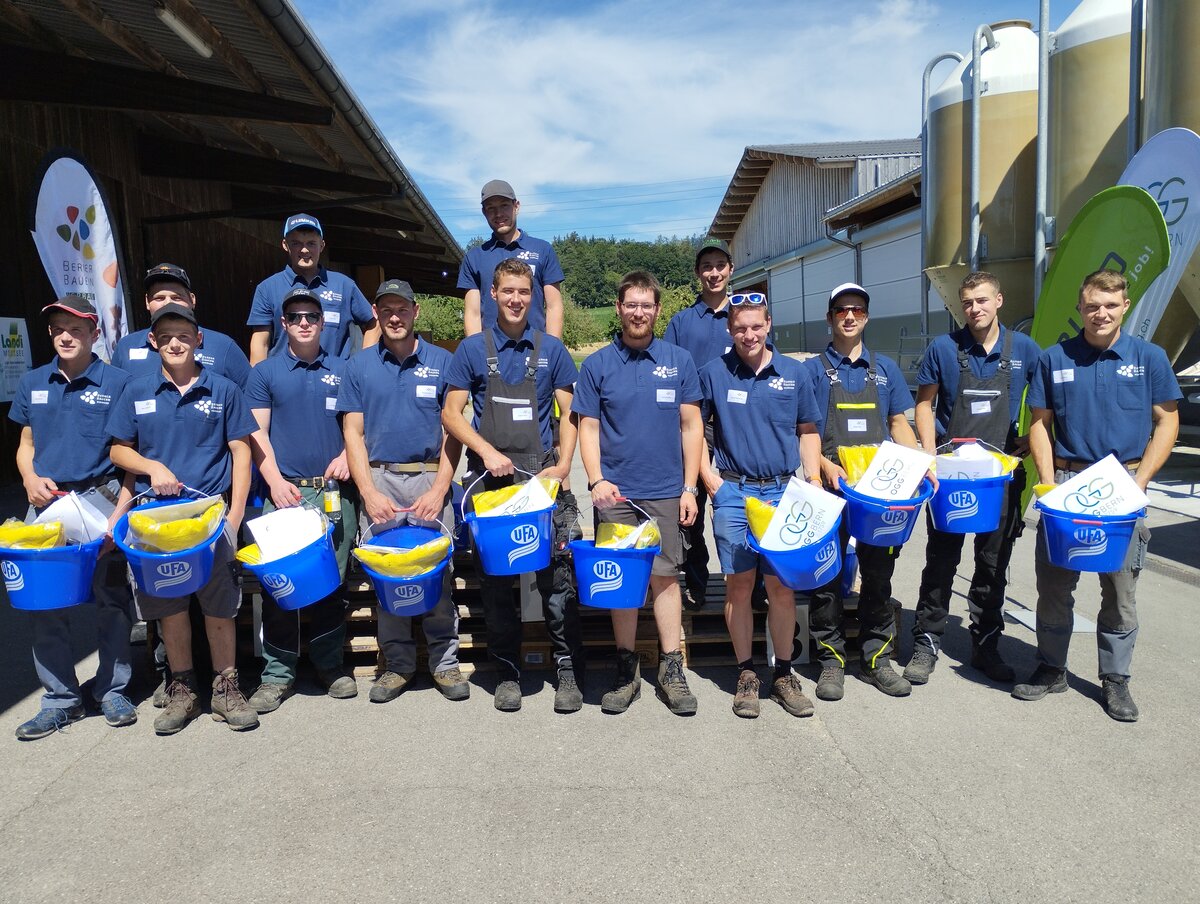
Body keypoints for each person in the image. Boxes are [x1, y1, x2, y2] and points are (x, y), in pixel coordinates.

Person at [1015, 268, 1180, 722]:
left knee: (1120, 590)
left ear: (1125, 306)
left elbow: (1168, 422)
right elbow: (1039, 424)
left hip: (1122, 486)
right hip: (1068, 484)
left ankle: (1115, 680)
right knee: (1053, 588)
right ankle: (1051, 668)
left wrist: (1140, 481)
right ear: (1080, 308)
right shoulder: (1054, 359)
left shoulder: (1149, 358)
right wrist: (1047, 484)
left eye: (1110, 305)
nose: (1100, 313)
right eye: (1092, 306)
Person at [107, 302, 259, 734]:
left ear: (198, 341)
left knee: (219, 607)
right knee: (170, 606)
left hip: (210, 515)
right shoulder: (136, 390)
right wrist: (152, 468)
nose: (175, 342)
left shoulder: (225, 389)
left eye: (184, 335)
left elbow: (241, 453)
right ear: (153, 342)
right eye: (166, 336)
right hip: (154, 521)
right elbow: (118, 450)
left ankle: (227, 689)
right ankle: (183, 689)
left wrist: (235, 514)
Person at [442, 258, 581, 713]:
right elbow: (450, 413)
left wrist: (561, 469)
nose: (517, 299)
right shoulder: (471, 350)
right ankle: (506, 671)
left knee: (556, 581)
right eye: (508, 292)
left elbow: (570, 417)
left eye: (525, 291)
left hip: (540, 480)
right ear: (493, 296)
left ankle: (567, 671)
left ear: (534, 296)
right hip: (492, 483)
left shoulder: (553, 350)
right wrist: (485, 451)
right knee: (497, 585)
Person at [575, 270, 703, 715]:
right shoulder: (596, 366)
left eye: (646, 305)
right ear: (618, 307)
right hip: (617, 496)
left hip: (667, 491)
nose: (638, 312)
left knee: (666, 579)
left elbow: (691, 427)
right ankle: (626, 669)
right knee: (622, 582)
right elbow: (587, 428)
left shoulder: (679, 361)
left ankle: (671, 668)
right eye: (631, 304)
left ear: (657, 310)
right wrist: (595, 480)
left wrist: (689, 487)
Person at [8, 296, 136, 740]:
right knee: (46, 606)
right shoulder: (32, 383)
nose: (66, 335)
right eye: (59, 328)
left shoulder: (119, 382)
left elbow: (129, 457)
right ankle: (61, 700)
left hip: (102, 502)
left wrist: (121, 516)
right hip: (46, 508)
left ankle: (113, 690)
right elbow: (25, 442)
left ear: (95, 334)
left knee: (114, 602)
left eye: (76, 328)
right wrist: (28, 476)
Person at [904, 272, 1041, 685]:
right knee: (941, 561)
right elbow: (924, 405)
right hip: (952, 478)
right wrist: (929, 456)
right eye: (967, 303)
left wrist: (1032, 444)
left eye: (982, 300)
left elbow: (1044, 408)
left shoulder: (1026, 350)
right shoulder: (944, 349)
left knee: (993, 565)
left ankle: (985, 646)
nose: (974, 309)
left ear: (999, 300)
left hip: (998, 480)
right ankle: (926, 641)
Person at [340, 279, 469, 704]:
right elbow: (353, 435)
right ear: (375, 314)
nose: (394, 317)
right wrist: (368, 493)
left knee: (437, 573)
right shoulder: (357, 367)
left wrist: (440, 488)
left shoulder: (443, 361)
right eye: (386, 310)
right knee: (388, 575)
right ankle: (396, 665)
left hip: (430, 477)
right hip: (380, 480)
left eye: (402, 309)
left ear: (416, 311)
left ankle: (444, 663)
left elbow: (454, 432)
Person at [698, 293, 824, 718]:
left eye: (755, 326)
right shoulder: (714, 373)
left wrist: (813, 481)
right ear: (729, 330)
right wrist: (708, 478)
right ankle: (746, 674)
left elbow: (808, 430)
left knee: (781, 588)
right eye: (739, 328)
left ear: (769, 324)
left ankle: (784, 674)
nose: (748, 335)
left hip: (783, 493)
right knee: (738, 586)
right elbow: (695, 429)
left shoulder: (794, 373)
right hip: (734, 492)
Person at [242, 287, 359, 713]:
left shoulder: (346, 370)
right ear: (284, 324)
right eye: (294, 317)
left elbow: (358, 426)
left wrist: (348, 456)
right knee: (281, 587)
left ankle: (331, 666)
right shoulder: (265, 373)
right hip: (286, 493)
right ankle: (277, 675)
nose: (304, 322)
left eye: (312, 315)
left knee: (331, 583)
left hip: (334, 493)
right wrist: (272, 481)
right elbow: (256, 433)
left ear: (324, 321)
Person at [803, 282, 922, 700]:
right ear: (830, 316)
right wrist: (824, 467)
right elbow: (805, 432)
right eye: (841, 310)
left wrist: (923, 464)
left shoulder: (885, 370)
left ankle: (877, 659)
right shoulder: (812, 371)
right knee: (827, 578)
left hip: (879, 495)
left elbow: (898, 424)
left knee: (878, 576)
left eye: (856, 309)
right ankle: (830, 662)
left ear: (866, 316)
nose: (849, 316)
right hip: (832, 487)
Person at [663, 237, 734, 611]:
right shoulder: (681, 322)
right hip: (694, 426)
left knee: (745, 505)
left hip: (738, 424)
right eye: (706, 266)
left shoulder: (743, 316)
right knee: (690, 507)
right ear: (697, 274)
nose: (713, 272)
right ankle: (697, 580)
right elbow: (667, 375)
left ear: (730, 269)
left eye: (720, 265)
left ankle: (751, 584)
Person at [247, 214, 380, 364]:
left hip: (334, 381)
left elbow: (375, 323)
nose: (304, 250)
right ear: (285, 245)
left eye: (311, 243)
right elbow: (260, 341)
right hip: (283, 383)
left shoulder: (343, 285)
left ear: (322, 245)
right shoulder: (267, 288)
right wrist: (257, 382)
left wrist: (364, 364)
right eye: (296, 243)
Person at [111, 264, 250, 387]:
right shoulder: (126, 346)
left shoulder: (223, 346)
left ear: (192, 300)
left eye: (176, 298)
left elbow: (253, 398)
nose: (168, 304)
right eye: (159, 298)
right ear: (147, 302)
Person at [457, 180, 565, 338]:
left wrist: (552, 352)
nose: (498, 213)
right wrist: (477, 354)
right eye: (491, 208)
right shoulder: (474, 257)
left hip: (535, 351)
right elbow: (472, 314)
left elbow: (554, 306)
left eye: (504, 205)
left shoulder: (543, 250)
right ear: (484, 212)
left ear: (517, 206)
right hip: (491, 354)